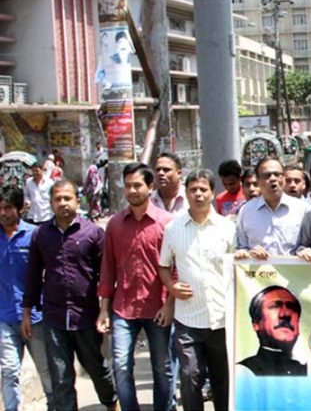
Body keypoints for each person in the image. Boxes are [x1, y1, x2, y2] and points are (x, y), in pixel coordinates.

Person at [23, 180, 117, 411]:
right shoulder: (41, 234)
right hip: (54, 317)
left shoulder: (93, 233)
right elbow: (34, 275)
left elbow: (106, 275)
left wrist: (106, 310)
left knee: (98, 369)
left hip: (86, 316)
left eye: (67, 198)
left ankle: (112, 403)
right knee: (61, 377)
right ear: (51, 203)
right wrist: (27, 312)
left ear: (77, 200)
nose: (63, 203)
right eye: (58, 199)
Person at [96, 163, 175, 411]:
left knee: (163, 368)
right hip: (123, 308)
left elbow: (176, 268)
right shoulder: (115, 224)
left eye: (137, 185)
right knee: (120, 365)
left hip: (158, 308)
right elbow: (108, 268)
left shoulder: (167, 223)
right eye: (128, 185)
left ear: (150, 187)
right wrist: (104, 309)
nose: (132, 190)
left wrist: (170, 304)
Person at [159, 169, 236, 411]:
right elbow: (163, 266)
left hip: (222, 319)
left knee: (222, 381)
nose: (198, 194)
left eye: (204, 189)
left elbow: (239, 268)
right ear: (186, 193)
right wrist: (171, 287)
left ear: (212, 193)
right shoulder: (173, 229)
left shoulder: (228, 228)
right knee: (190, 377)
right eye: (193, 189)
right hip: (188, 320)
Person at [0, 186, 54, 410]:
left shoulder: (35, 235)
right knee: (9, 370)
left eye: (8, 208)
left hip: (35, 317)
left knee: (45, 369)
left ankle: (55, 404)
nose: (3, 213)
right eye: (0, 208)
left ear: (20, 208)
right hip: (5, 317)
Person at [235, 157, 309, 259]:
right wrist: (248, 253)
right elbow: (241, 247)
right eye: (267, 175)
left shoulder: (302, 209)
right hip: (260, 273)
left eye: (278, 174)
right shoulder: (246, 211)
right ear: (258, 180)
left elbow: (309, 244)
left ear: (283, 178)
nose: (273, 179)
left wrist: (303, 250)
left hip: (294, 273)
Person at [238, 286, 306, 376]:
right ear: (256, 324)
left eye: (292, 308)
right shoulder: (244, 371)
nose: (285, 314)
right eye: (274, 306)